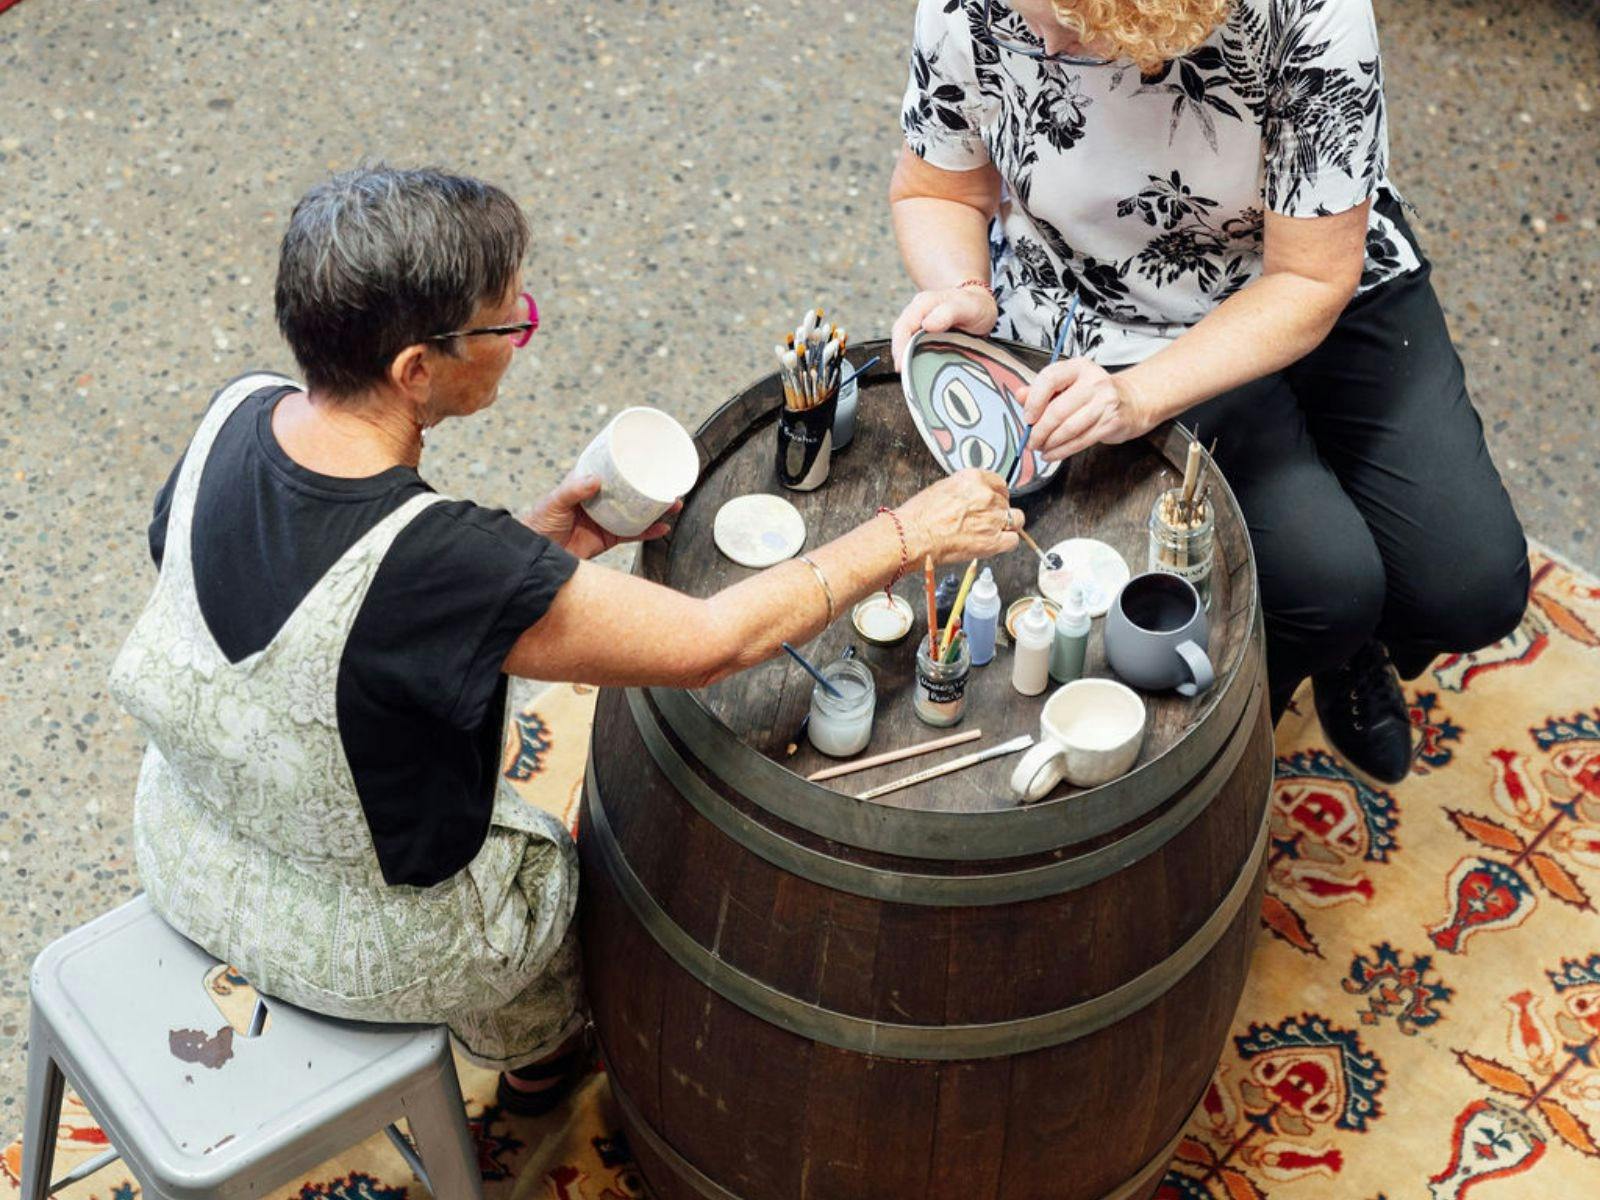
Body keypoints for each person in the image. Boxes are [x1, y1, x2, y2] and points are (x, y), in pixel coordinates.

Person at [110, 165, 1020, 1116]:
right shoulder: (447, 563)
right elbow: (711, 642)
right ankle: (540, 1057)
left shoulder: (239, 411)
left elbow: (315, 619)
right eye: (507, 326)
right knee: (545, 871)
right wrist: (907, 532)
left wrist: (528, 561)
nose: (519, 336)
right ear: (416, 370)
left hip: (189, 842)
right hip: (361, 944)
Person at [890, 0, 1529, 783]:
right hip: (1111, 309)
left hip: (1313, 266)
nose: (1037, 38)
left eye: (1070, 22)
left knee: (1471, 588)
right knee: (1324, 589)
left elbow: (1310, 279)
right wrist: (964, 285)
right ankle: (1294, 678)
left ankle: (1359, 644)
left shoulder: (1309, 13)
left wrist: (1140, 400)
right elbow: (939, 189)